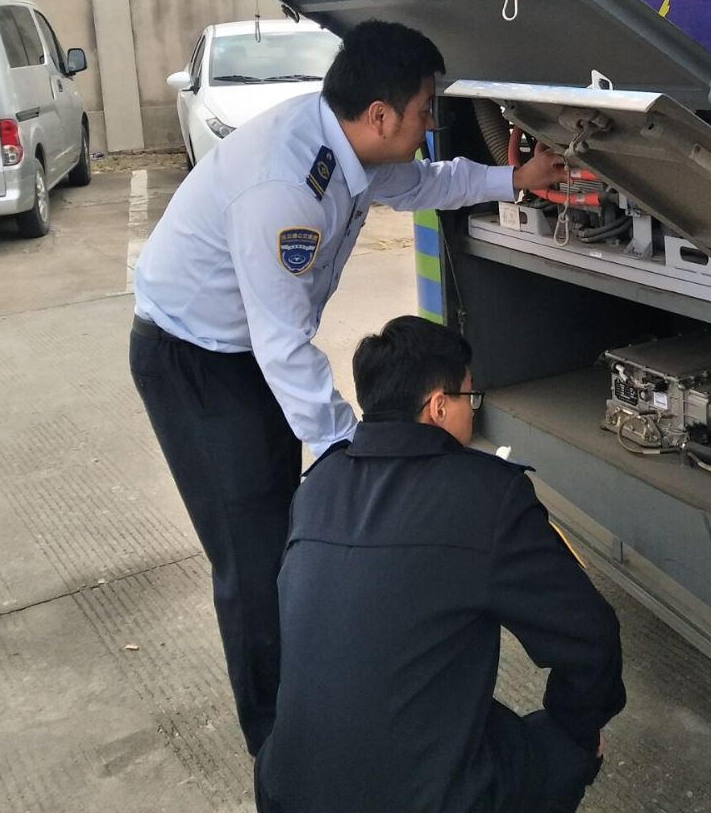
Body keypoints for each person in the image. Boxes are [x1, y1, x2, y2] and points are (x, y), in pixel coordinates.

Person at [128, 20, 566, 758]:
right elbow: (282, 346)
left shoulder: (346, 144)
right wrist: (352, 450)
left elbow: (425, 182)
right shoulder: (285, 187)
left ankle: (307, 695)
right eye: (425, 110)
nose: (430, 123)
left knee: (289, 531)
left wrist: (514, 180)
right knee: (252, 557)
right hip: (194, 361)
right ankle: (277, 748)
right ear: (382, 115)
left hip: (244, 351)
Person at [257, 316, 625, 813]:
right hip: (427, 800)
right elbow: (591, 637)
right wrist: (575, 729)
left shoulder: (316, 488)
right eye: (470, 399)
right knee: (564, 745)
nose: (472, 412)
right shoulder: (488, 496)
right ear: (438, 406)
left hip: (286, 789)